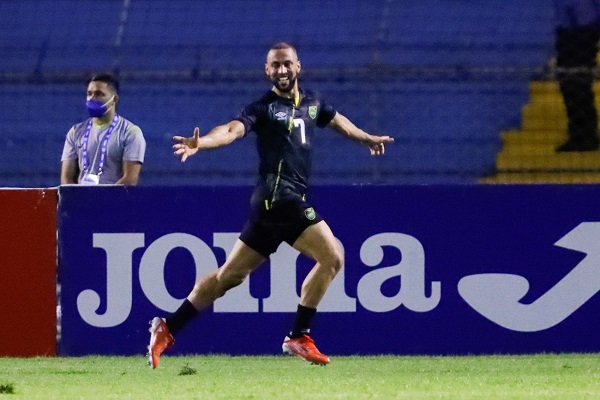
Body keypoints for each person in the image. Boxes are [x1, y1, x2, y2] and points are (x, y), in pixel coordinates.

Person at [147, 42, 394, 368]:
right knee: (332, 256)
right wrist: (202, 143)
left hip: (269, 207)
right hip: (281, 199)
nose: (281, 70)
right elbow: (231, 130)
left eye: (286, 64)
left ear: (298, 67)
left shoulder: (313, 103)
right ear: (267, 71)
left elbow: (339, 122)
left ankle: (168, 327)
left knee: (228, 277)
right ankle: (298, 335)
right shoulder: (262, 108)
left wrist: (366, 138)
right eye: (275, 65)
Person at [60, 73, 146, 185]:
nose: (92, 99)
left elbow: (130, 179)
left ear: (114, 99)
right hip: (82, 200)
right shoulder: (75, 132)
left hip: (113, 200)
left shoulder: (130, 132)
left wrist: (103, 199)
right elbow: (66, 178)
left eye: (99, 94)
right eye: (89, 94)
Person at [554, 0, 600, 152]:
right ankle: (582, 134)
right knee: (571, 81)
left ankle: (584, 135)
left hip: (581, 28)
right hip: (572, 27)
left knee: (576, 82)